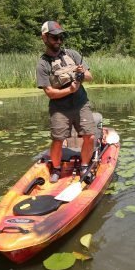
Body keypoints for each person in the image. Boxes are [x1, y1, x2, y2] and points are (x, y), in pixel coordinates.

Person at [36, 21, 96, 183]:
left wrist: (82, 73)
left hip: (81, 103)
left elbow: (90, 77)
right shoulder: (43, 64)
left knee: (90, 136)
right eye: (54, 37)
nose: (58, 40)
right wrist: (70, 90)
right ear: (44, 38)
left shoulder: (73, 54)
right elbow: (50, 93)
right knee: (57, 140)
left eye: (60, 37)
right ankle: (56, 168)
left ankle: (84, 165)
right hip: (59, 108)